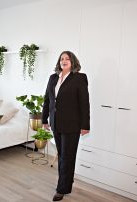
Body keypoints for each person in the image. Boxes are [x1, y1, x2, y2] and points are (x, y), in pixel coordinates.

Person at [42, 51, 90, 201]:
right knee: (63, 156)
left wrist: (85, 125)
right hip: (56, 123)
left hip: (72, 125)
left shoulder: (79, 78)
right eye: (62, 59)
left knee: (67, 157)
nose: (64, 61)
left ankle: (62, 189)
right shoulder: (53, 78)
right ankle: (67, 181)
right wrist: (44, 120)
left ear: (72, 61)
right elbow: (47, 100)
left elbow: (84, 103)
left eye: (67, 58)